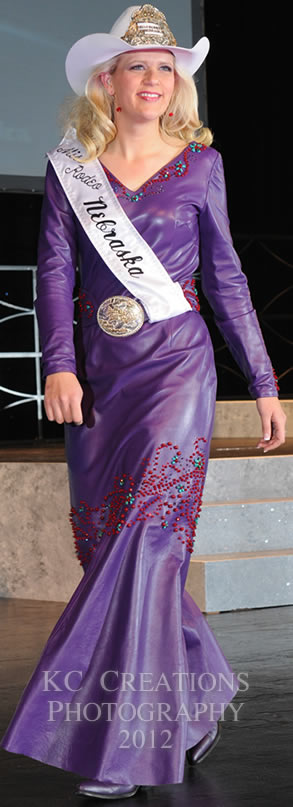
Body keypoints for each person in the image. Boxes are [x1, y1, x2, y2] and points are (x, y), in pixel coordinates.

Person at [0, 3, 286, 801]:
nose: (156, 80)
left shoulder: (201, 165)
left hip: (177, 371)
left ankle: (129, 745)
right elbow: (52, 274)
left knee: (147, 541)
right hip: (99, 376)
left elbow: (226, 277)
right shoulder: (70, 170)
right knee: (111, 553)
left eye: (168, 68)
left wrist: (263, 381)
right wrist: (58, 366)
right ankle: (196, 697)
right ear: (108, 84)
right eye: (139, 67)